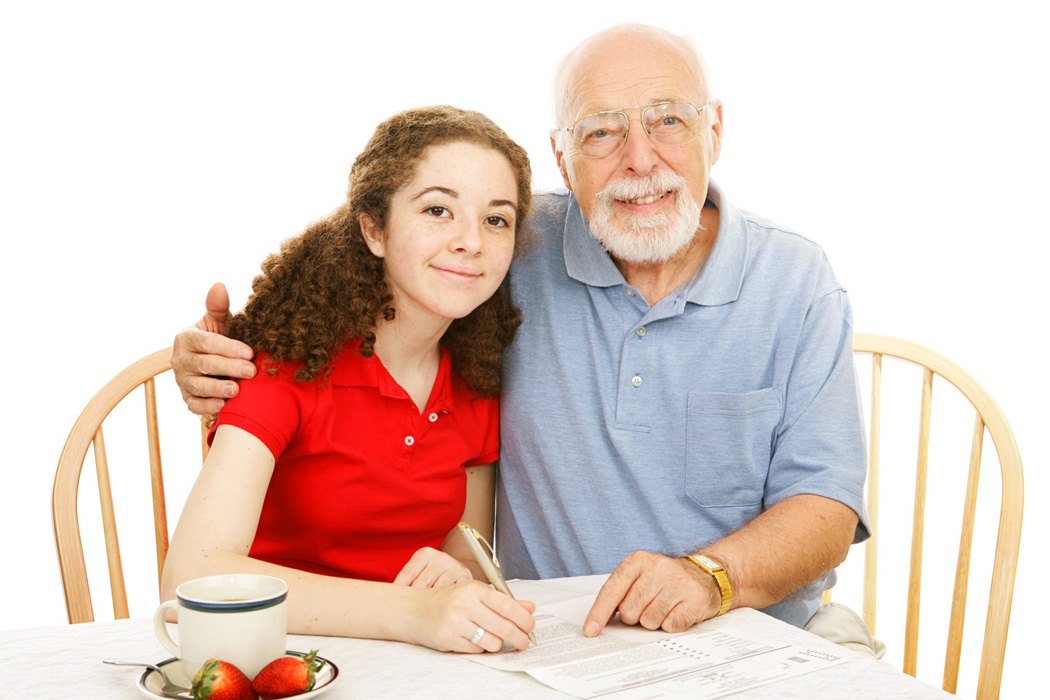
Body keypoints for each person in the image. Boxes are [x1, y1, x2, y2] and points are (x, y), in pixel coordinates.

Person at [171, 24, 873, 647]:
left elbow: (826, 508)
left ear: (714, 129)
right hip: (562, 640)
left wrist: (710, 578)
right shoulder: (511, 254)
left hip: (758, 635)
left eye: (668, 120)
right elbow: (375, 255)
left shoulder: (796, 279)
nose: (638, 157)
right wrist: (218, 354)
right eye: (601, 131)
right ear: (564, 158)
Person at [161, 105, 537, 653]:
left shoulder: (477, 378)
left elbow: (466, 553)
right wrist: (410, 611)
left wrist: (453, 575)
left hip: (414, 666)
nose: (471, 241)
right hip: (279, 659)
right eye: (437, 210)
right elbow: (191, 579)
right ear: (374, 229)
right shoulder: (286, 365)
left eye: (496, 219)